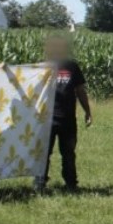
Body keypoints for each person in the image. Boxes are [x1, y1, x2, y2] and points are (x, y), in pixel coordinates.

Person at [34, 36, 92, 193]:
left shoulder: (72, 66)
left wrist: (87, 111)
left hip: (67, 118)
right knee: (44, 153)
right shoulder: (41, 67)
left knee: (68, 153)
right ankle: (39, 183)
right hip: (46, 119)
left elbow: (80, 91)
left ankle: (71, 183)